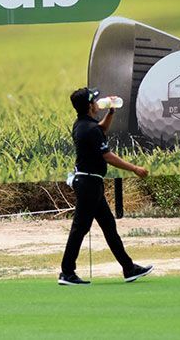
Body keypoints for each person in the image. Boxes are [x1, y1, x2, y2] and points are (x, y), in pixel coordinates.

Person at [59, 87, 153, 285]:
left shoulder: (82, 125)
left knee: (109, 226)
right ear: (91, 106)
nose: (97, 102)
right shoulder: (89, 129)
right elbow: (107, 156)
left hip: (90, 183)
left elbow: (101, 130)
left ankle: (129, 268)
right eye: (94, 100)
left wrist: (111, 112)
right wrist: (134, 168)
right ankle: (67, 272)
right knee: (80, 228)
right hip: (89, 185)